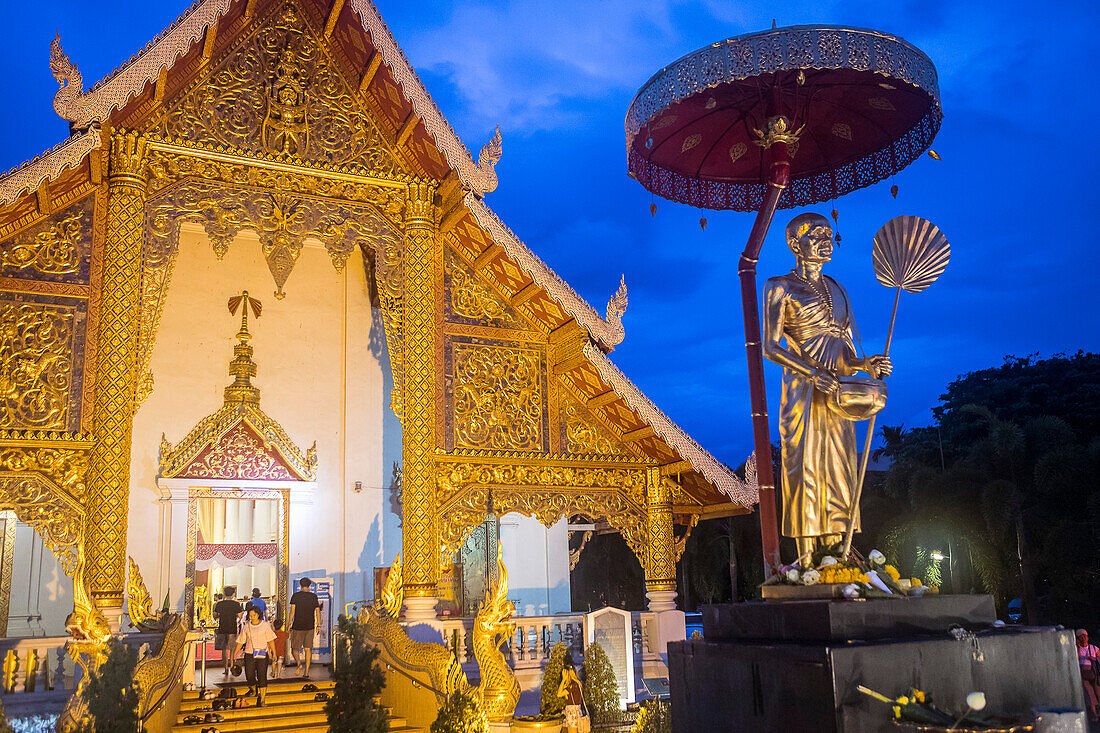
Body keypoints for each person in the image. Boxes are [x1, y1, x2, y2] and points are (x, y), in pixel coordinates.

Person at [763, 213, 892, 558]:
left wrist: (868, 365)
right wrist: (810, 372)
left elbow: (847, 353)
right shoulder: (780, 287)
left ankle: (839, 547)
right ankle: (807, 556)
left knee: (840, 465)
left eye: (829, 234)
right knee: (803, 464)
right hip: (804, 389)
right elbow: (771, 347)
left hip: (839, 390)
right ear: (794, 244)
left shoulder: (838, 289)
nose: (825, 240)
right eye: (816, 234)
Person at [233, 606, 277, 707]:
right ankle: (253, 689)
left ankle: (262, 698)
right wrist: (235, 653)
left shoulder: (265, 625)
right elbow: (241, 640)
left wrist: (274, 653)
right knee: (249, 675)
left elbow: (271, 640)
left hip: (262, 654)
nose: (252, 617)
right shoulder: (246, 626)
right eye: (250, 615)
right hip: (249, 653)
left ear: (258, 615)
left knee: (262, 675)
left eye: (254, 615)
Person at [288, 577, 321, 679]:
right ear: (309, 586)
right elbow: (317, 612)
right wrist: (318, 625)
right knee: (308, 649)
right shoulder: (314, 596)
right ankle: (306, 672)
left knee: (294, 649)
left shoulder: (295, 596)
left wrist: (289, 623)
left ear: (300, 585)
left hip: (297, 626)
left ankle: (298, 663)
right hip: (310, 626)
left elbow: (292, 611)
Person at [212, 586, 243, 676]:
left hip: (222, 627)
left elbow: (215, 616)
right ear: (233, 594)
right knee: (232, 648)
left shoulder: (219, 604)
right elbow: (240, 616)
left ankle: (225, 668)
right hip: (232, 627)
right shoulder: (236, 604)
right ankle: (232, 666)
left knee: (224, 650)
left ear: (224, 594)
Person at [556, 652, 586, 733]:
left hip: (571, 713)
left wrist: (563, 680)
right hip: (578, 712)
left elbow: (559, 694)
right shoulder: (579, 684)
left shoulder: (571, 687)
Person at [1077, 629, 1100, 720]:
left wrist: (1095, 659)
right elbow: (1075, 658)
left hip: (1094, 673)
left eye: (1084, 636)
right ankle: (1094, 714)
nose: (1083, 639)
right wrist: (1078, 647)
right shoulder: (1077, 648)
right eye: (1081, 637)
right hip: (1083, 673)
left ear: (1087, 637)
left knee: (1098, 692)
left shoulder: (1094, 648)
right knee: (1089, 694)